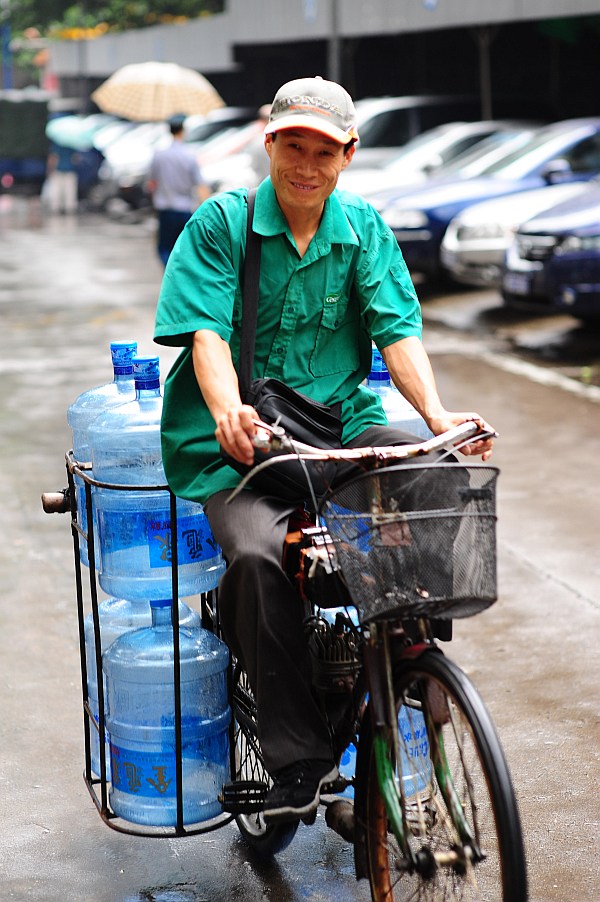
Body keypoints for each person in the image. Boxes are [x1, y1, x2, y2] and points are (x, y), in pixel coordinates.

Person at [154, 76, 495, 825]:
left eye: (324, 151)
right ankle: (298, 757)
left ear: (348, 156)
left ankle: (412, 664)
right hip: (247, 447)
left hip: (338, 431)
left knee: (436, 472)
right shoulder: (223, 223)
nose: (306, 166)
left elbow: (399, 332)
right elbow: (206, 335)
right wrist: (225, 411)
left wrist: (438, 418)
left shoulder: (363, 228)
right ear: (269, 143)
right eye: (293, 147)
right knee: (255, 559)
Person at [147, 115, 209, 266]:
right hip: (184, 209)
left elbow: (150, 182)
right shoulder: (189, 156)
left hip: (165, 208)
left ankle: (168, 278)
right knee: (184, 249)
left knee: (165, 248)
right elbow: (200, 185)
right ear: (182, 131)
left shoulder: (159, 155)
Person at [45, 142, 79, 214]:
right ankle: (70, 209)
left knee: (56, 190)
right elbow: (76, 159)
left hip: (58, 170)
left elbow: (53, 158)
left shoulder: (57, 145)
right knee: (70, 191)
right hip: (70, 170)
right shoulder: (72, 145)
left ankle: (55, 208)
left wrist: (49, 170)